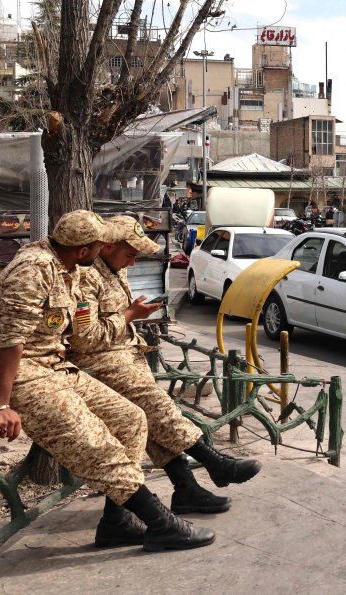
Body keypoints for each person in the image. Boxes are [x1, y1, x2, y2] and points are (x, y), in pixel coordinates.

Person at [0, 210, 213, 552]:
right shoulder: (33, 270)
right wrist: (0, 404)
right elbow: (11, 340)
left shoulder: (65, 265)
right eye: (101, 245)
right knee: (98, 446)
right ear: (85, 250)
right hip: (23, 376)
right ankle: (161, 523)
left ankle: (116, 523)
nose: (105, 250)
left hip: (52, 366)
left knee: (131, 420)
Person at [69, 216, 261, 519]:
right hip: (98, 364)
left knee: (154, 417)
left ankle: (186, 488)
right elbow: (85, 339)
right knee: (158, 406)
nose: (132, 263)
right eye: (129, 254)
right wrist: (130, 315)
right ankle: (213, 463)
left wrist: (133, 314)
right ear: (105, 247)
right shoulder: (86, 278)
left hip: (123, 357)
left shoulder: (113, 270)